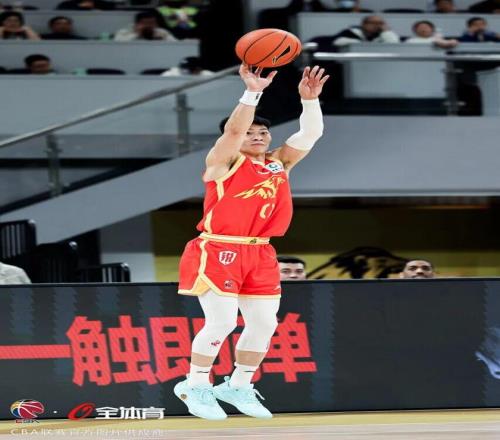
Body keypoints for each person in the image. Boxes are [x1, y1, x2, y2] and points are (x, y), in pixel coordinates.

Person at [174, 63, 329, 420]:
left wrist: (310, 100)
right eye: (250, 132)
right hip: (219, 246)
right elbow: (233, 129)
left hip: (260, 250)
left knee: (264, 324)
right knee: (222, 322)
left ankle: (238, 385)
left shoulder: (278, 163)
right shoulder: (223, 161)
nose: (257, 136)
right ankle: (194, 385)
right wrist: (252, 92)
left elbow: (312, 133)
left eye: (263, 132)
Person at [332, 15, 400, 47]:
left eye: (381, 23)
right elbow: (337, 42)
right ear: (364, 24)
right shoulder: (349, 32)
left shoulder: (385, 35)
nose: (378, 26)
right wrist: (364, 44)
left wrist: (387, 32)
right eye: (374, 23)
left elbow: (394, 46)